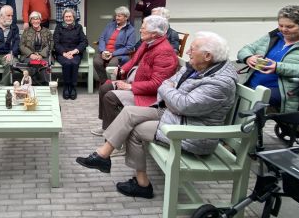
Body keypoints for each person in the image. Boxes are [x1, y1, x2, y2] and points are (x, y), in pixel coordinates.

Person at [76, 31, 237, 199]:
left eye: (192, 49)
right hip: (176, 117)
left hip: (193, 134)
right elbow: (168, 84)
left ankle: (137, 181)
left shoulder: (219, 82)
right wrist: (171, 94)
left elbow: (181, 103)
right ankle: (106, 157)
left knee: (134, 127)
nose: (187, 52)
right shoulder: (198, 66)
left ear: (207, 56)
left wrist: (170, 94)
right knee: (129, 113)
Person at [237, 5, 299, 114]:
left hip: (287, 94)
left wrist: (279, 67)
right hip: (253, 86)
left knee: (254, 104)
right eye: (281, 25)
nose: (284, 30)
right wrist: (248, 58)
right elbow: (246, 49)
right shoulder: (274, 36)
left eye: (290, 26)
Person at [91, 15, 177, 137]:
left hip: (149, 95)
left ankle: (116, 136)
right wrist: (122, 70)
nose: (140, 30)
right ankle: (107, 126)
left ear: (154, 33)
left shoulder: (164, 52)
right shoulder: (148, 43)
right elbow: (133, 60)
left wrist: (130, 87)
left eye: (143, 28)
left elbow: (158, 84)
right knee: (105, 87)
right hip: (137, 83)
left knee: (110, 97)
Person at [93, 6, 136, 86]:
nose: (117, 18)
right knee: (96, 61)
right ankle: (105, 83)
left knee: (112, 65)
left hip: (118, 54)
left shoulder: (131, 30)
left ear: (126, 17)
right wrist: (103, 51)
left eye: (119, 16)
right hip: (105, 52)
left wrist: (113, 54)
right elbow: (102, 38)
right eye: (116, 15)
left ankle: (111, 84)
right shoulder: (110, 25)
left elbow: (129, 47)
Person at [53, 8, 88, 100]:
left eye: (70, 16)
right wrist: (64, 53)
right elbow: (56, 43)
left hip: (75, 53)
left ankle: (73, 87)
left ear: (73, 17)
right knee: (67, 63)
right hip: (62, 53)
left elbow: (84, 42)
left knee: (74, 63)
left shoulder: (78, 27)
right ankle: (66, 86)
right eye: (66, 17)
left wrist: (75, 51)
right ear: (63, 18)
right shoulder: (59, 27)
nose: (68, 18)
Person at [19, 10, 53, 85]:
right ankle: (32, 84)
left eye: (37, 19)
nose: (35, 21)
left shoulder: (47, 31)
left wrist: (41, 55)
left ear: (40, 20)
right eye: (33, 19)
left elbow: (50, 44)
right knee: (31, 64)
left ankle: (45, 85)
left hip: (44, 55)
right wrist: (31, 54)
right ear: (30, 21)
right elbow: (22, 45)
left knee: (44, 64)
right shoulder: (26, 32)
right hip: (29, 56)